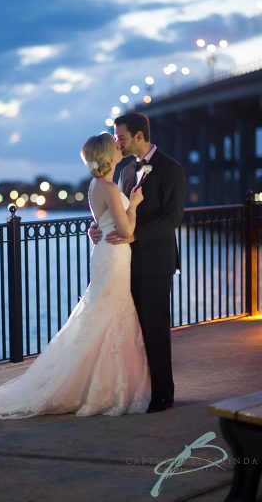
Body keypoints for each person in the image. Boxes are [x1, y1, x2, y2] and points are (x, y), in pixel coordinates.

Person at [0, 133, 150, 419]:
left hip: (105, 252)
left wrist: (97, 227)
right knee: (109, 313)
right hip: (114, 254)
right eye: (114, 146)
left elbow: (101, 221)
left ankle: (94, 384)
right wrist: (135, 206)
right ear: (108, 155)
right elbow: (126, 230)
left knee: (101, 313)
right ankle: (105, 388)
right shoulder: (110, 188)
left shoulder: (95, 185)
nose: (119, 147)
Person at [91, 112, 185, 413]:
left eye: (120, 137)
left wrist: (135, 236)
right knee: (132, 329)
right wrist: (96, 227)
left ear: (139, 136)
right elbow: (115, 211)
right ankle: (137, 390)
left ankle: (163, 394)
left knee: (156, 329)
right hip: (125, 262)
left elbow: (173, 218)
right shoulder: (126, 171)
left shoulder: (171, 169)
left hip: (156, 261)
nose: (116, 142)